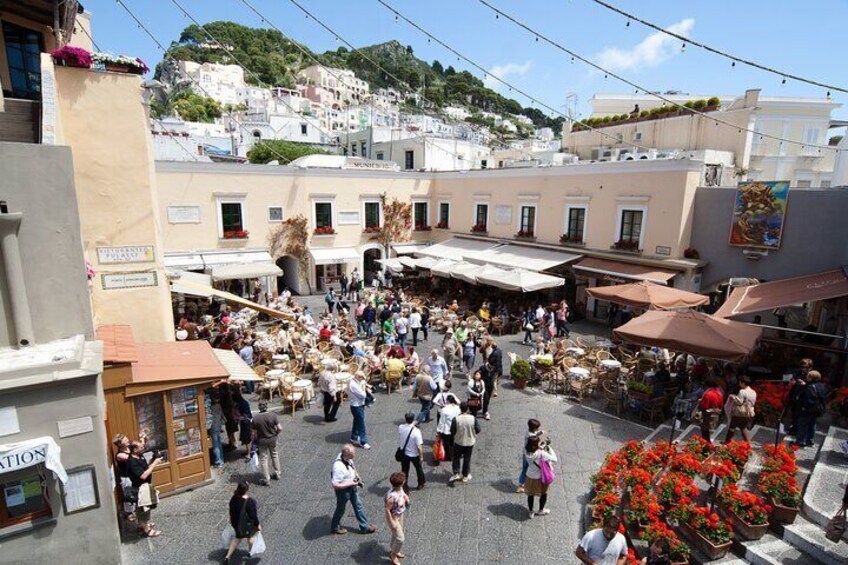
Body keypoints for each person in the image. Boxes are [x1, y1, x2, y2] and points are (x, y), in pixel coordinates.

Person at [330, 444, 377, 535]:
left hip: (352, 487)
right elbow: (335, 485)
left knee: (358, 505)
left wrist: (357, 476)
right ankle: (335, 527)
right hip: (343, 491)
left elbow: (352, 466)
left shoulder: (346, 457)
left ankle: (365, 527)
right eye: (352, 455)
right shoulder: (338, 467)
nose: (354, 456)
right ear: (345, 455)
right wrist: (352, 483)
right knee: (341, 509)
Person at [126, 441, 163, 538]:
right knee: (144, 509)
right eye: (140, 447)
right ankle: (147, 530)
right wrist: (155, 463)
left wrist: (153, 460)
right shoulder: (131, 461)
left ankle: (142, 525)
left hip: (146, 486)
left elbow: (145, 468)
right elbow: (143, 475)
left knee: (145, 508)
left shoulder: (139, 456)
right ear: (134, 450)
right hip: (140, 489)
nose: (143, 447)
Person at [224, 481, 261, 565]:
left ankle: (227, 557)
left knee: (237, 539)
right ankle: (250, 552)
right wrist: (257, 524)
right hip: (247, 525)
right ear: (246, 490)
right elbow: (253, 516)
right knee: (251, 538)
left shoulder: (233, 498)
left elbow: (231, 511)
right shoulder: (249, 501)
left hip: (237, 524)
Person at [524, 436, 558, 519]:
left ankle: (531, 511)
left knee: (530, 495)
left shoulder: (526, 451)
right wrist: (548, 448)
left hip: (530, 476)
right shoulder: (541, 453)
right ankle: (541, 510)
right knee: (543, 494)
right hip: (541, 478)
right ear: (536, 445)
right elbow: (555, 459)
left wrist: (540, 447)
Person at [251, 400, 281, 485]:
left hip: (262, 441)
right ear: (266, 406)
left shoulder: (255, 418)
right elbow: (280, 428)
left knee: (264, 459)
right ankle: (277, 473)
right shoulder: (273, 415)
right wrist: (276, 434)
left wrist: (253, 441)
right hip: (272, 439)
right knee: (274, 455)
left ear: (259, 407)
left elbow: (253, 433)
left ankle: (266, 478)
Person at [449, 401, 480, 483]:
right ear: (468, 408)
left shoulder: (456, 419)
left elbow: (452, 431)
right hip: (470, 442)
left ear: (460, 409)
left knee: (456, 458)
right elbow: (478, 429)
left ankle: (456, 473)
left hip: (459, 441)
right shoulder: (473, 418)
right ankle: (465, 475)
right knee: (467, 459)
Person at [384, 472, 410, 565]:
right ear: (401, 483)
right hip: (394, 517)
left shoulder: (399, 488)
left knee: (396, 534)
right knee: (400, 538)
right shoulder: (392, 497)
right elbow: (387, 510)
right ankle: (393, 555)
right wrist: (392, 523)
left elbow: (402, 492)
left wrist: (405, 497)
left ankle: (394, 548)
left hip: (400, 514)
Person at [795, 370, 825, 448]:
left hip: (807, 410)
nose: (806, 377)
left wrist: (803, 408)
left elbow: (807, 399)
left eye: (808, 376)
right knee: (812, 425)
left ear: (811, 378)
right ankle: (810, 441)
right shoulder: (821, 386)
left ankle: (800, 441)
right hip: (816, 410)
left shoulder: (809, 387)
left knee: (803, 425)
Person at [724, 375, 757, 443]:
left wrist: (733, 397)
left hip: (739, 412)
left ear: (743, 383)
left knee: (732, 427)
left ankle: (727, 442)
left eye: (740, 382)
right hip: (748, 412)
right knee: (743, 427)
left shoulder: (742, 391)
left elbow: (739, 402)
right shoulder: (753, 392)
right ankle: (748, 443)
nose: (739, 384)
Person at [397, 412, 425, 492]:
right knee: (418, 469)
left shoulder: (401, 427)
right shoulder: (416, 432)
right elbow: (419, 447)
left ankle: (404, 484)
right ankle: (420, 483)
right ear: (413, 419)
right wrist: (421, 457)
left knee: (404, 470)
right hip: (414, 454)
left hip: (404, 454)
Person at [696, 377, 724, 443]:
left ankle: (706, 447)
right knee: (707, 432)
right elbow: (721, 405)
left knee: (705, 433)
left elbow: (704, 406)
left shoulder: (708, 394)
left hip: (707, 416)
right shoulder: (719, 393)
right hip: (716, 415)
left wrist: (700, 401)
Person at [348, 372, 371, 449]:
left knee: (356, 421)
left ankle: (353, 437)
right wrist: (364, 388)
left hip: (357, 405)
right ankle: (363, 442)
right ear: (358, 377)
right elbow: (363, 395)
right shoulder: (353, 385)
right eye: (361, 378)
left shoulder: (355, 382)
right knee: (361, 423)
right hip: (357, 406)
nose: (362, 379)